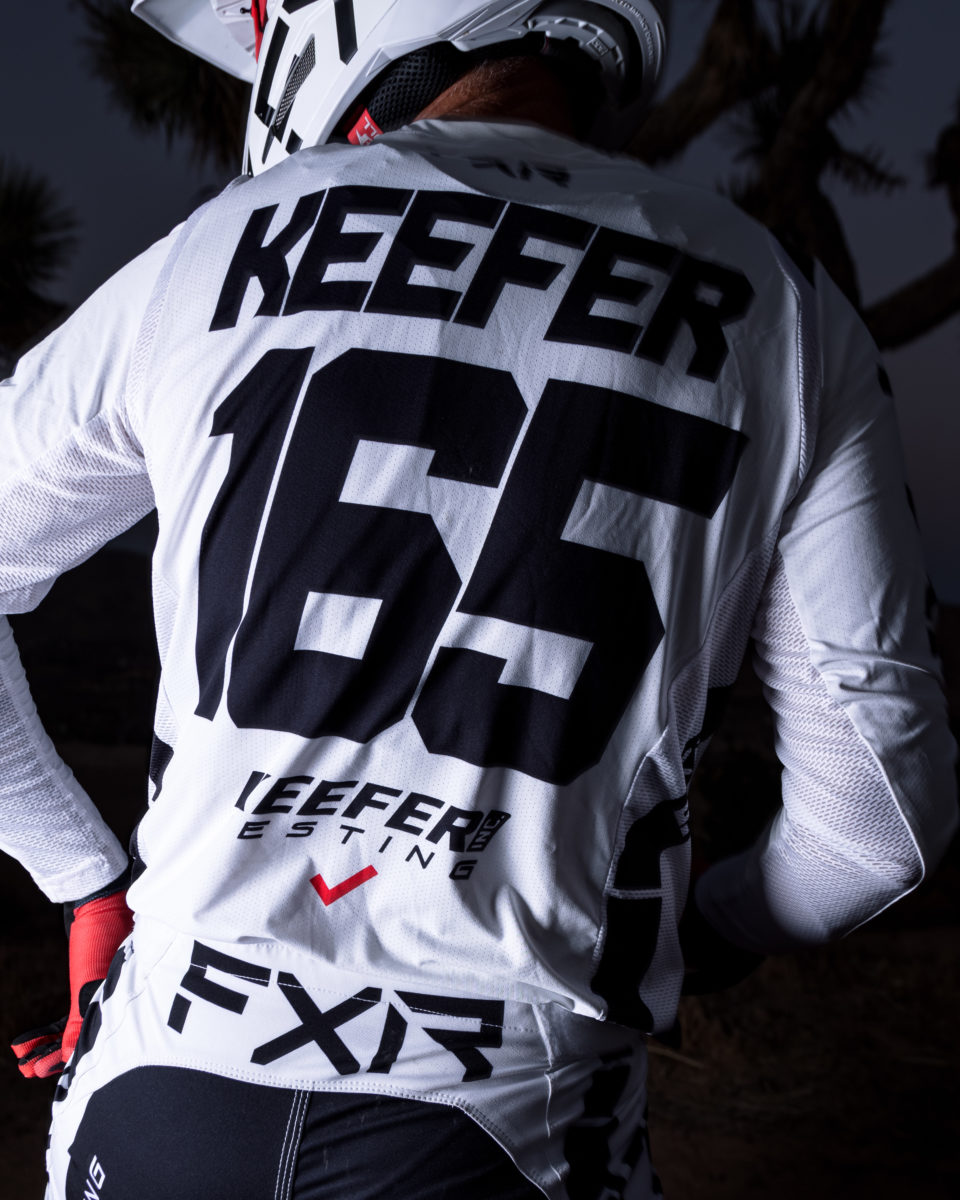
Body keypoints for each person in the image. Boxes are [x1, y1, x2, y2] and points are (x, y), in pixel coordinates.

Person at [2, 1, 956, 1196]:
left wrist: (86, 881)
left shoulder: (215, 247)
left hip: (166, 1079)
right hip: (509, 1114)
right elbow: (878, 829)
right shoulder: (784, 307)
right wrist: (708, 932)